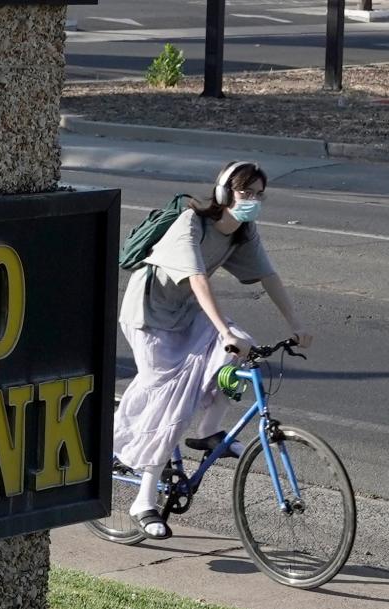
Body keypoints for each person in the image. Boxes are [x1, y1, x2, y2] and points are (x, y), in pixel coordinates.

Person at [113, 160, 313, 540]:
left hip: (187, 312)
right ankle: (143, 499)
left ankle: (208, 431)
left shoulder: (243, 231)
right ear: (224, 193)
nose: (251, 200)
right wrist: (222, 330)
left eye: (257, 194)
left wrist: (297, 325)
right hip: (149, 315)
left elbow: (269, 275)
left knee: (243, 346)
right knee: (172, 398)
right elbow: (198, 278)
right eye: (244, 192)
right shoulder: (190, 222)